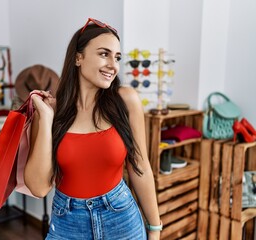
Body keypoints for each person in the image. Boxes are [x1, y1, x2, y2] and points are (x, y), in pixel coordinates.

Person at [24, 18, 161, 240]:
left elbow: (140, 167)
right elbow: (39, 188)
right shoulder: (50, 111)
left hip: (121, 219)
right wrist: (47, 119)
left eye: (117, 57)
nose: (113, 65)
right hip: (67, 223)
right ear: (78, 57)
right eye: (104, 54)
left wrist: (155, 229)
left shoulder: (125, 100)